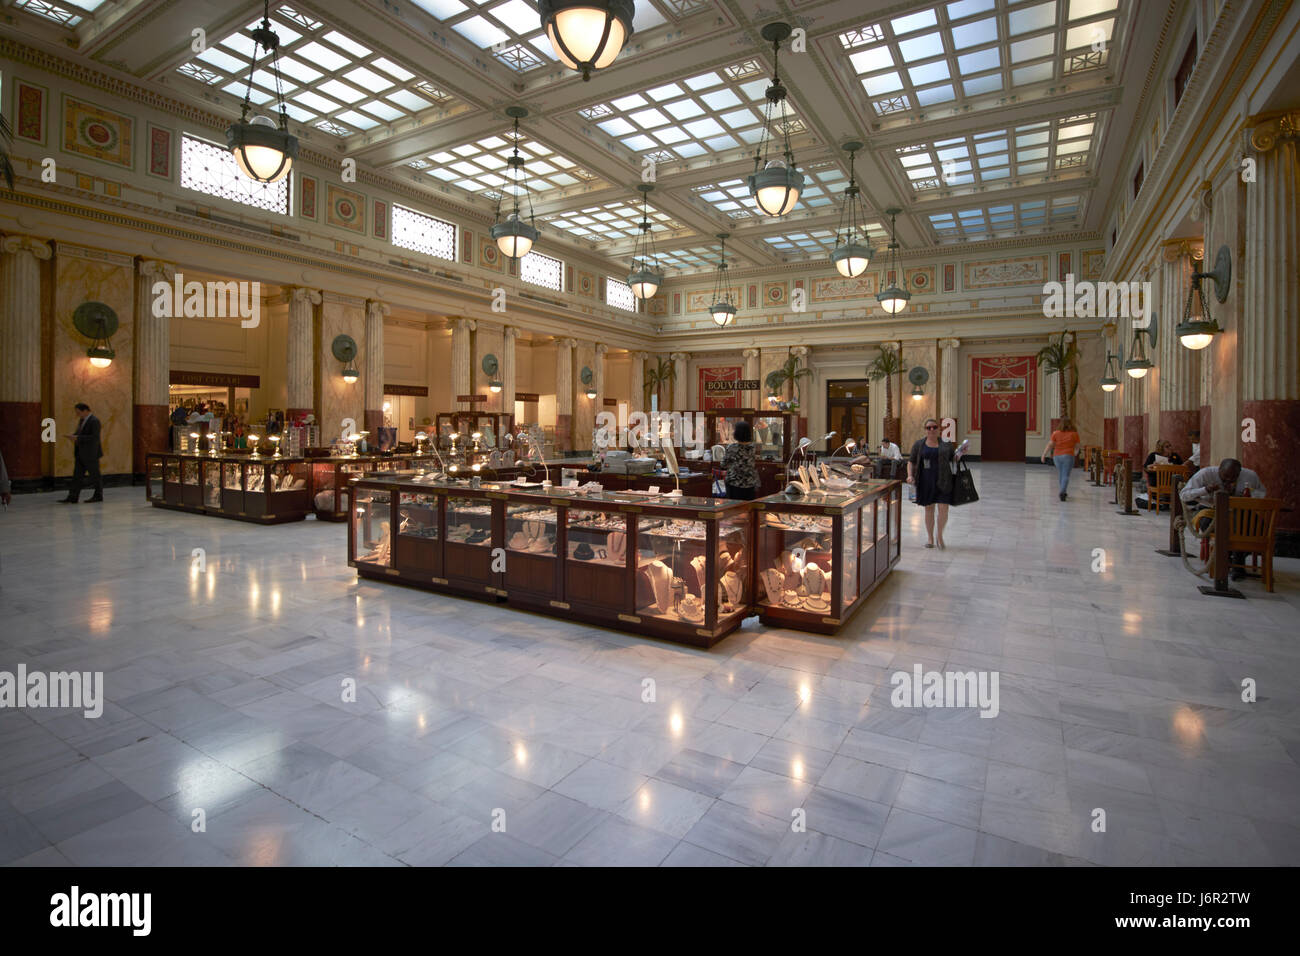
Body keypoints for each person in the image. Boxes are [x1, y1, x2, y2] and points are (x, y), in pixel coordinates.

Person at [1180, 458, 1267, 580]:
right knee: (1207, 523)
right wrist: (1206, 489)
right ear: (1219, 470)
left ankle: (1237, 559)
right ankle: (1226, 558)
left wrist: (1247, 494)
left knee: (1257, 527)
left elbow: (1263, 495)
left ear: (1239, 473)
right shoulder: (1206, 474)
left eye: (1234, 477)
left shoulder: (1250, 476)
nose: (1229, 480)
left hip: (1241, 513)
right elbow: (1184, 495)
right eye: (1225, 476)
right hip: (1212, 510)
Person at [907, 418, 955, 549]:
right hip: (926, 479)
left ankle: (939, 536)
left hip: (944, 479)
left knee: (944, 509)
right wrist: (910, 475)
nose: (932, 430)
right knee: (929, 509)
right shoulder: (919, 444)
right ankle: (930, 538)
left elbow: (953, 458)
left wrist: (961, 453)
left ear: (939, 429)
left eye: (934, 427)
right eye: (929, 428)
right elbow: (911, 461)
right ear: (925, 430)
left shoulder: (946, 443)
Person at [62, 402, 104, 503]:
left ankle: (98, 496)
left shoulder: (94, 421)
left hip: (91, 453)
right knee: (77, 476)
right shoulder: (82, 420)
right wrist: (74, 436)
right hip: (80, 453)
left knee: (95, 476)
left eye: (78, 412)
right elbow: (80, 433)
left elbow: (94, 437)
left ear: (85, 410)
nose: (77, 415)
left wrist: (78, 438)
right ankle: (73, 496)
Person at [1041, 417, 1083, 501]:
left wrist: (1043, 455)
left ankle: (1063, 490)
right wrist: (1075, 453)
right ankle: (1062, 492)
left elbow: (1050, 445)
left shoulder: (1055, 433)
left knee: (1061, 474)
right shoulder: (1074, 434)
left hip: (1057, 456)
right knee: (1066, 475)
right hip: (1068, 455)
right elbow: (1077, 446)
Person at [722, 421, 759, 500]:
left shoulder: (732, 447)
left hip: (734, 483)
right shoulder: (753, 447)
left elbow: (723, 464)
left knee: (734, 508)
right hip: (750, 483)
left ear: (736, 433)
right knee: (748, 508)